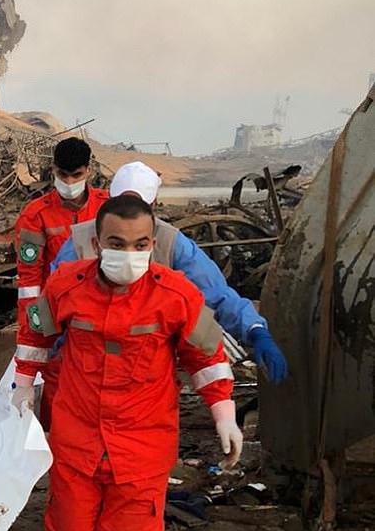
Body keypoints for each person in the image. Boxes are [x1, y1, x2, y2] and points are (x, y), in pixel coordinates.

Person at [13, 195, 239, 531]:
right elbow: (36, 333)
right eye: (117, 244)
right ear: (97, 243)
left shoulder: (176, 295)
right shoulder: (66, 285)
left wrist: (224, 412)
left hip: (143, 444)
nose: (129, 253)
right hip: (77, 436)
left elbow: (207, 354)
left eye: (140, 245)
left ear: (152, 243)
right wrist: (23, 384)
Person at [52, 160, 289, 384]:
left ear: (153, 206)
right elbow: (50, 305)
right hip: (86, 373)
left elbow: (215, 294)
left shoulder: (172, 243)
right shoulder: (79, 242)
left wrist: (254, 330)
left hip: (148, 375)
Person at [13, 137, 110, 428]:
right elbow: (29, 285)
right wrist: (33, 343)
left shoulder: (109, 208)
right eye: (62, 175)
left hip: (105, 314)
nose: (69, 182)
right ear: (53, 171)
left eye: (76, 175)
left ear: (89, 170)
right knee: (58, 390)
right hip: (58, 317)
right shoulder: (35, 215)